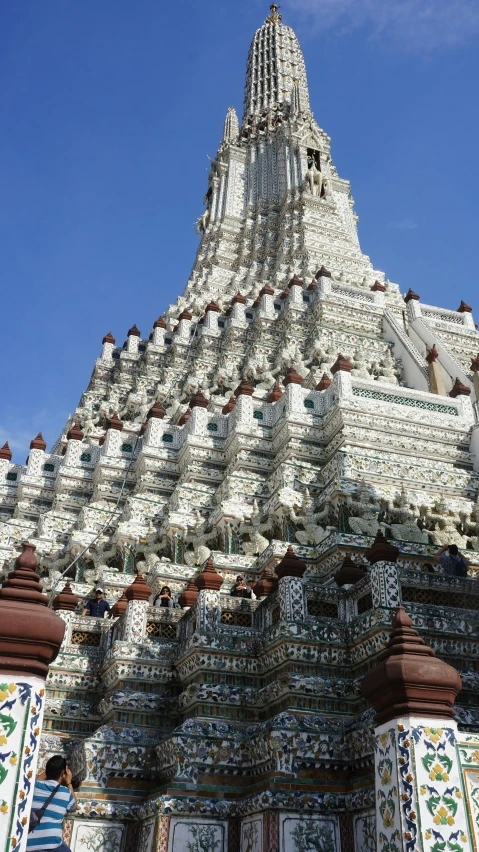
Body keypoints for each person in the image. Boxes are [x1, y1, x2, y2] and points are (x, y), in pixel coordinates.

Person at [27, 755, 77, 852]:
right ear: (63, 773)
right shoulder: (65, 793)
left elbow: (34, 780)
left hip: (29, 844)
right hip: (52, 843)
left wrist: (49, 770)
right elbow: (74, 806)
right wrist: (68, 781)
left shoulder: (34, 786)